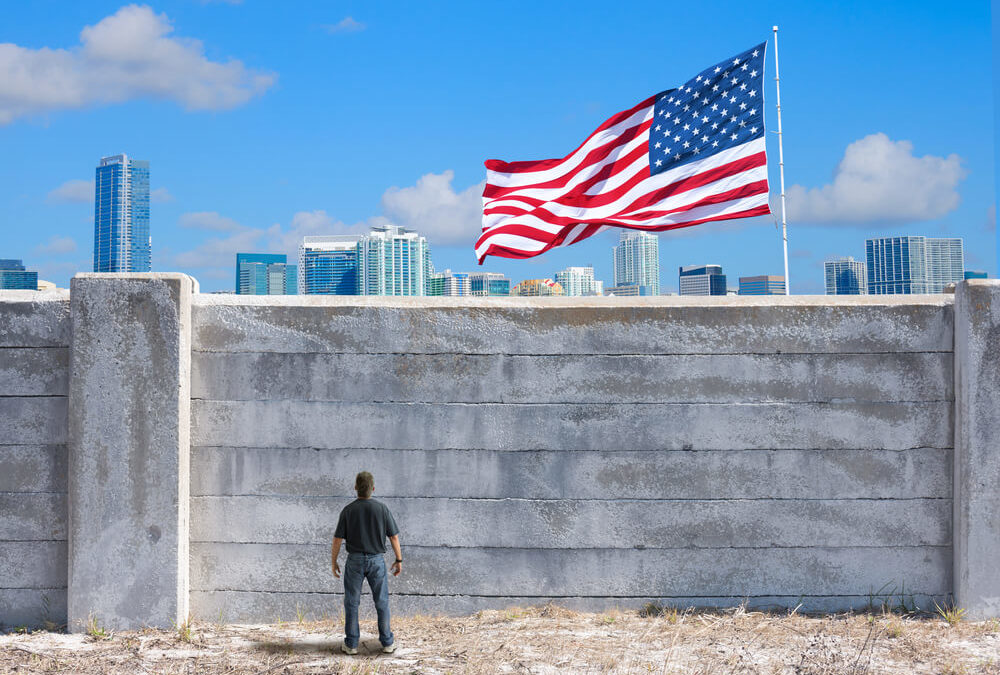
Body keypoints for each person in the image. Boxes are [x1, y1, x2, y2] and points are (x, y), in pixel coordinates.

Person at [331, 471, 402, 655]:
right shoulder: (382, 509)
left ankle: (352, 644)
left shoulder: (348, 510)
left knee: (352, 602)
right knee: (382, 601)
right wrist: (398, 559)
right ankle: (387, 642)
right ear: (373, 488)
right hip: (377, 560)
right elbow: (393, 536)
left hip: (354, 560)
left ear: (356, 488)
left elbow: (338, 539)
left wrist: (334, 561)